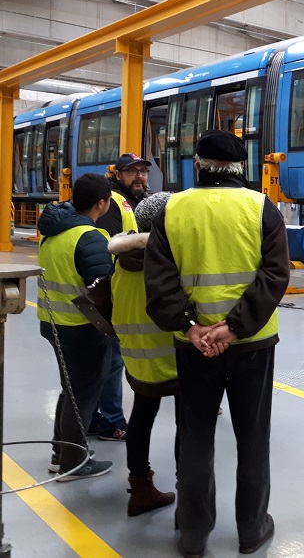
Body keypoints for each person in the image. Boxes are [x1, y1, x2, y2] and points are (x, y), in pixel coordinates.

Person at [145, 130, 290, 558]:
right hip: (253, 346)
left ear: (198, 165)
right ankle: (251, 529)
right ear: (242, 168)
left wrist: (192, 326)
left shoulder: (172, 209)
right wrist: (235, 327)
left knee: (195, 439)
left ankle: (193, 533)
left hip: (193, 348)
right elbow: (275, 274)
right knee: (252, 438)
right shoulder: (262, 207)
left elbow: (160, 281)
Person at [37, 172, 115, 481]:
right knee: (82, 393)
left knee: (70, 389)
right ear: (101, 203)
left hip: (53, 322)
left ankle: (62, 452)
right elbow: (103, 289)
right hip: (82, 327)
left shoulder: (53, 231)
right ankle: (73, 462)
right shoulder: (90, 237)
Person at [109, 191, 178, 516]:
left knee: (141, 417)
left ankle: (140, 488)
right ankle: (190, 493)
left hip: (137, 357)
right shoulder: (168, 259)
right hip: (175, 356)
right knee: (190, 424)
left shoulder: (121, 259)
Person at [92, 152, 153, 442]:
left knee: (110, 358)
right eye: (133, 172)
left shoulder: (137, 200)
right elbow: (111, 246)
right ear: (118, 174)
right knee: (113, 358)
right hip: (119, 289)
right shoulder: (114, 200)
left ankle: (95, 418)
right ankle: (113, 421)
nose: (140, 177)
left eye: (143, 171)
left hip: (125, 289)